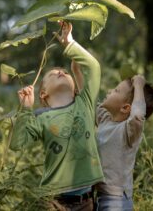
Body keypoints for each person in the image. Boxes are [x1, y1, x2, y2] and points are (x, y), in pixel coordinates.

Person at [10, 22, 104, 211]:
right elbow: (17, 144)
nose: (60, 71)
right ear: (43, 93)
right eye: (53, 74)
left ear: (74, 85)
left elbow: (93, 67)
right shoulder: (40, 117)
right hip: (53, 201)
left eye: (65, 72)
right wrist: (25, 109)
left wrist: (69, 43)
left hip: (86, 201)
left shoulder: (84, 104)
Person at [95, 75, 153, 211]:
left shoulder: (129, 132)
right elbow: (88, 102)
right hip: (100, 195)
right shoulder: (105, 119)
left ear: (125, 108)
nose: (110, 91)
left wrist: (139, 86)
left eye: (116, 91)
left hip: (116, 200)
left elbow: (137, 116)